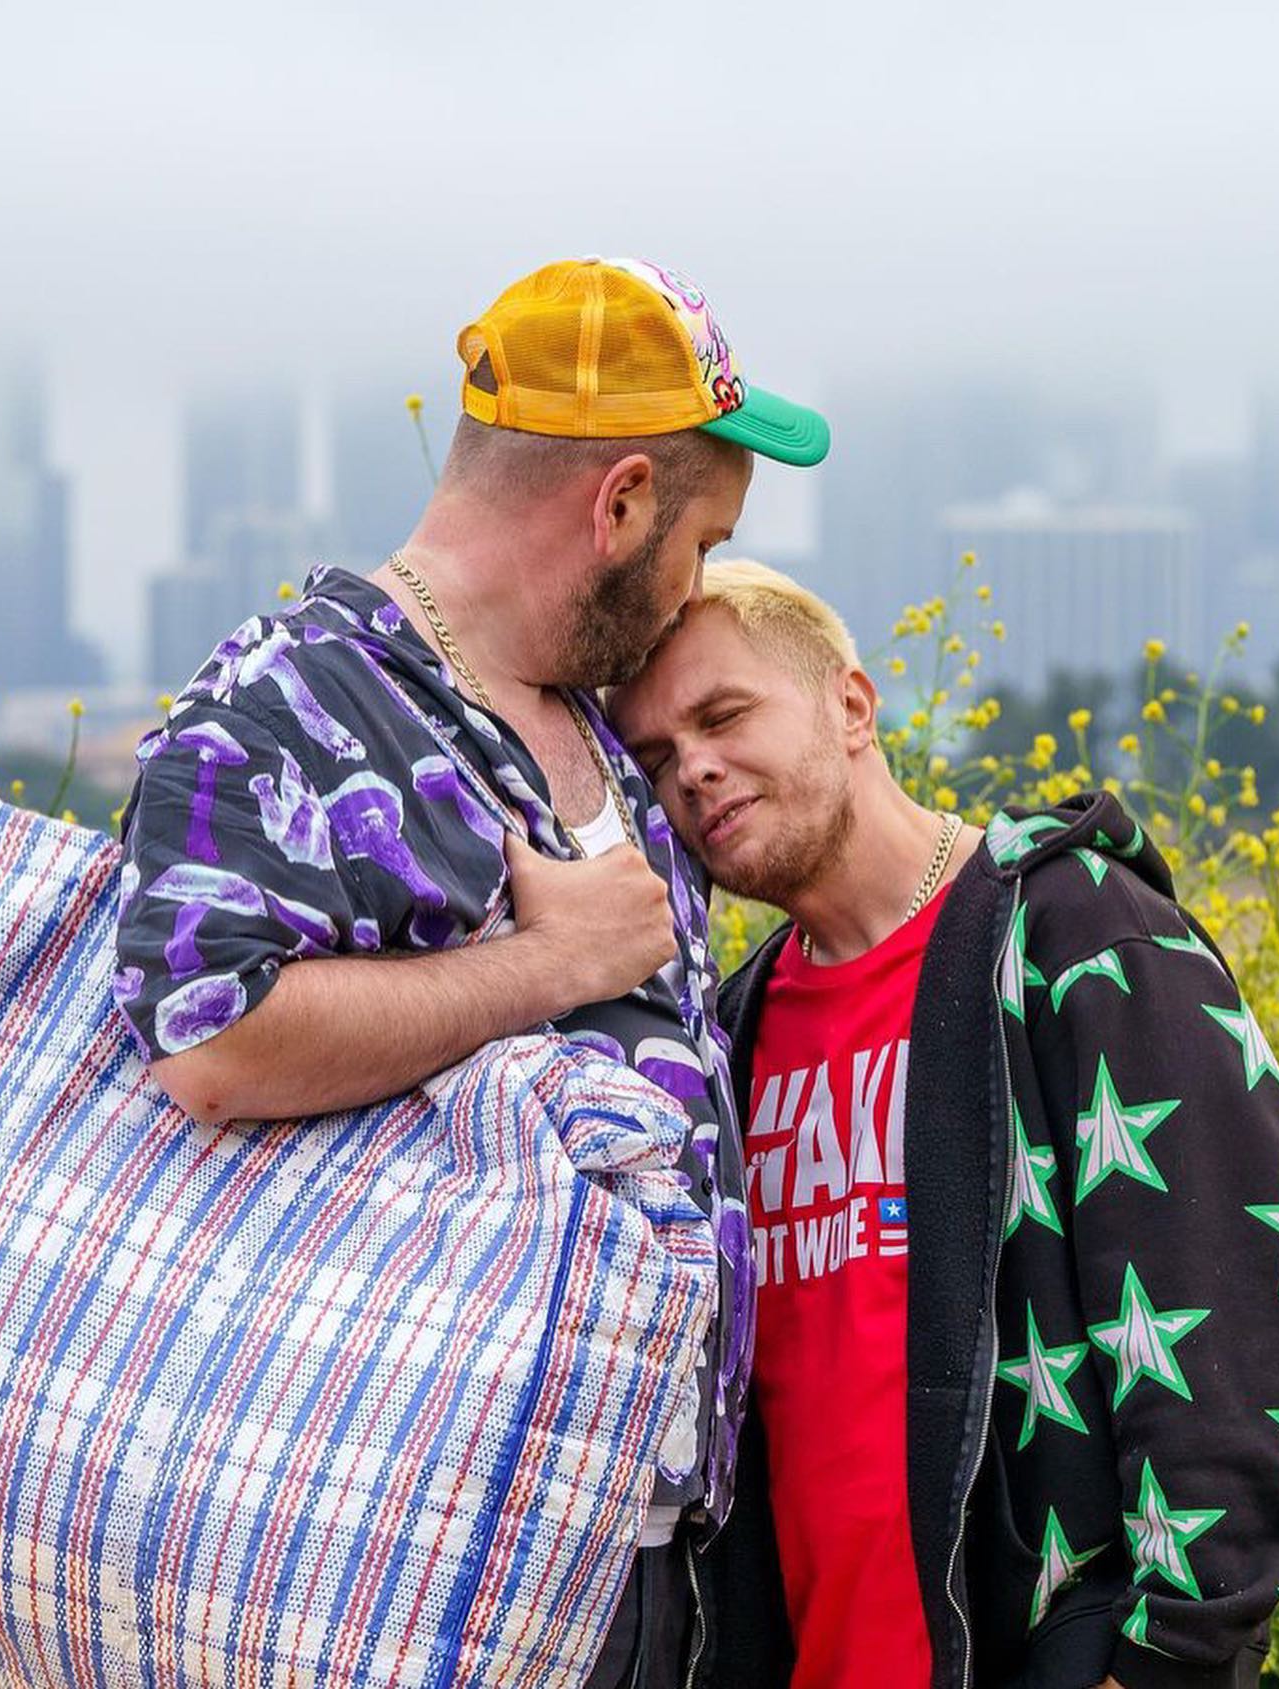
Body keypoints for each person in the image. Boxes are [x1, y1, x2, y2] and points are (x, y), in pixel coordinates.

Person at [113, 259, 829, 1688]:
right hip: (421, 1574)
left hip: (645, 1559)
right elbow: (209, 1037)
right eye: (699, 542)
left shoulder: (589, 716)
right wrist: (545, 963)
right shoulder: (291, 696)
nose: (695, 586)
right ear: (620, 503)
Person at [607, 559, 1279, 1689]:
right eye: (652, 758)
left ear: (851, 705)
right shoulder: (726, 1037)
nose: (692, 769)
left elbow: (1235, 1334)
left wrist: (1167, 1661)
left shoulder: (1077, 939)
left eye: (722, 715)